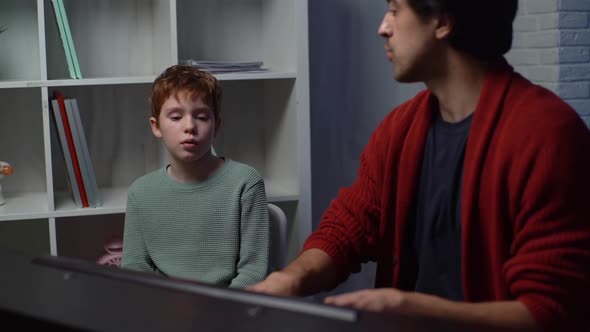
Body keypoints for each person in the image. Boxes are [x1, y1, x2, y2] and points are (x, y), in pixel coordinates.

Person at [248, 0, 590, 330]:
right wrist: (290, 279)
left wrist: (409, 310)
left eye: (395, 9)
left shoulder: (547, 135)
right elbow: (348, 227)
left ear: (442, 21)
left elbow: (550, 314)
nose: (383, 27)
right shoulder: (400, 129)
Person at [121, 65, 270, 288]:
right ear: (156, 126)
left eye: (201, 116)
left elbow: (253, 271)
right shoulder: (140, 192)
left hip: (227, 308)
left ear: (216, 125)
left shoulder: (246, 183)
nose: (189, 126)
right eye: (176, 117)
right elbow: (135, 270)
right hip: (163, 310)